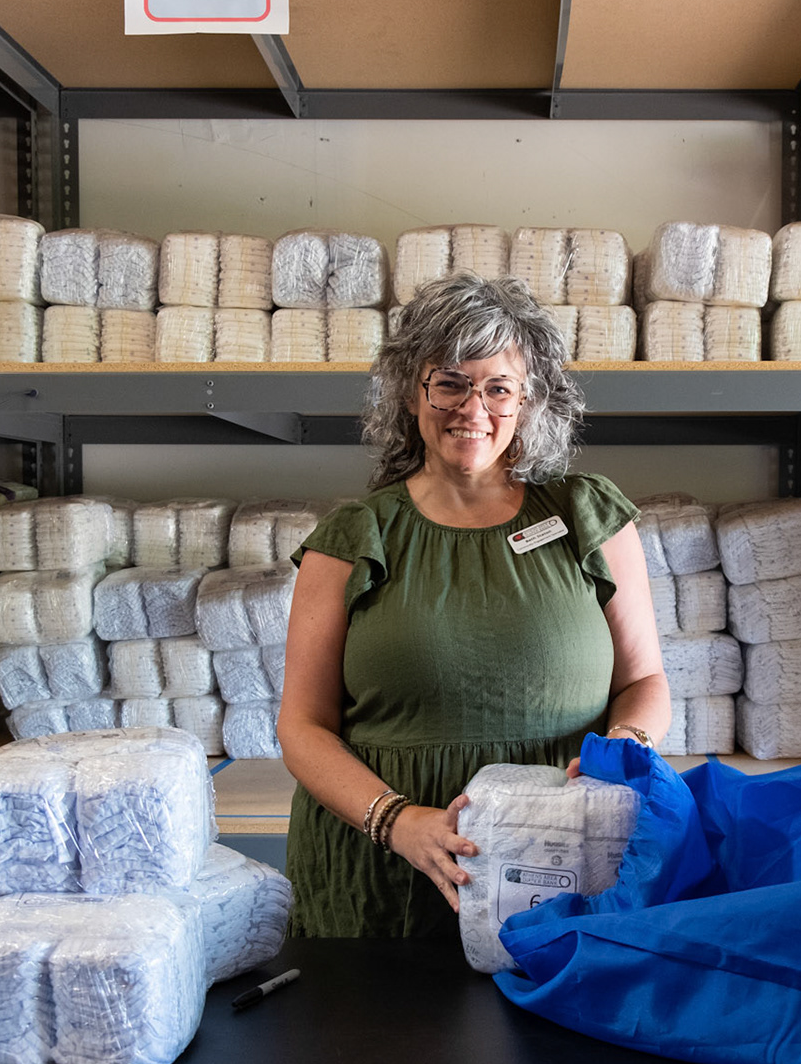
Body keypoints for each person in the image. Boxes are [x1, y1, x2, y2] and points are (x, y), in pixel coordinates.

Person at [277, 272, 669, 938]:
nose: (473, 408)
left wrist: (620, 752)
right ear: (411, 390)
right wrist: (398, 821)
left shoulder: (586, 514)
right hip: (385, 883)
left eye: (498, 387)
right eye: (450, 382)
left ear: (529, 397)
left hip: (561, 867)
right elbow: (301, 727)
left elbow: (645, 682)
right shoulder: (353, 539)